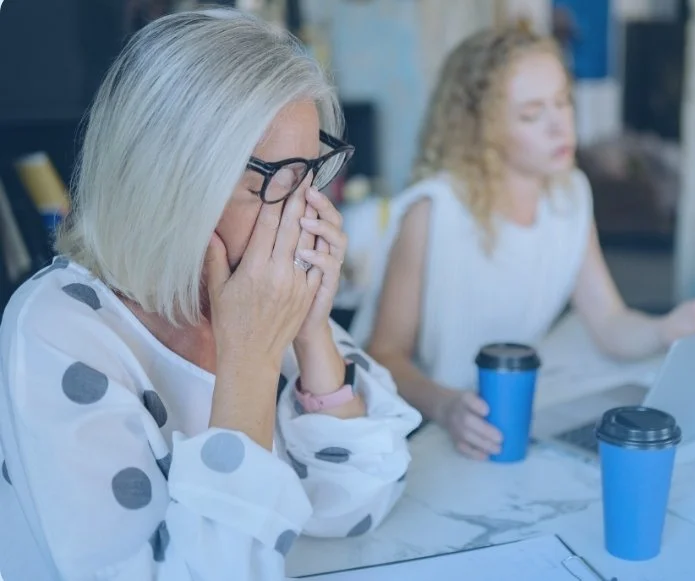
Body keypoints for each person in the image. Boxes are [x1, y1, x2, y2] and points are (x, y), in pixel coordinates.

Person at [0, 9, 421, 581]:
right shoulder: (59, 327)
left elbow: (359, 502)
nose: (304, 211)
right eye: (277, 179)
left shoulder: (263, 294)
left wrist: (312, 333)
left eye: (310, 173)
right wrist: (249, 361)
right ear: (172, 184)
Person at [350, 26, 695, 461]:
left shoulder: (570, 195)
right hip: (413, 429)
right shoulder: (433, 211)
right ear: (482, 128)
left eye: (563, 102)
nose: (560, 126)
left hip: (503, 417)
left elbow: (609, 321)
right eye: (532, 114)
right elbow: (383, 355)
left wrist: (666, 329)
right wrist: (446, 406)